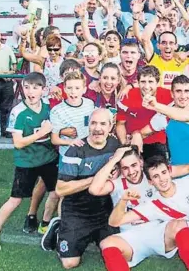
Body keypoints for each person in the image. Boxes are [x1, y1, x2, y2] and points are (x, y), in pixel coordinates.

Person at [41, 108, 120, 269]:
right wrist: (97, 178)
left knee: (114, 250)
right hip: (77, 212)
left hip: (104, 213)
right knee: (70, 263)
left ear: (111, 126)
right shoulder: (75, 151)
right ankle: (58, 229)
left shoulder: (114, 144)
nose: (98, 128)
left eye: (103, 124)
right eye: (94, 123)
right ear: (88, 125)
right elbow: (61, 190)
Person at [0, 73, 59, 252]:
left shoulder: (49, 107)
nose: (31, 91)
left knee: (56, 192)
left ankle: (44, 223)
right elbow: (18, 142)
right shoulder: (18, 111)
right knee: (15, 200)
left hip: (48, 158)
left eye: (35, 87)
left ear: (43, 90)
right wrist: (41, 132)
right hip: (26, 162)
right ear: (22, 89)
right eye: (27, 87)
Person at [131, 75, 189, 172]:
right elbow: (142, 133)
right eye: (178, 91)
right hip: (181, 175)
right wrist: (136, 134)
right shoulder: (164, 116)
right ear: (172, 94)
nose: (183, 96)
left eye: (186, 91)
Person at [116, 65, 173, 159]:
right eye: (143, 82)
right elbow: (120, 124)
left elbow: (186, 99)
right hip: (132, 142)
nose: (146, 87)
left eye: (150, 82)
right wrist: (125, 144)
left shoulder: (168, 95)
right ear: (138, 83)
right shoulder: (128, 96)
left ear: (158, 83)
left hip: (157, 144)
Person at [50, 71, 95, 158]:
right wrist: (71, 142)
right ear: (64, 89)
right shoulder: (57, 111)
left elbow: (88, 123)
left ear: (84, 89)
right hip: (68, 155)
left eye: (77, 88)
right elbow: (54, 139)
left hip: (88, 151)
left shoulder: (89, 104)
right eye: (69, 88)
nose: (73, 91)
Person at [0, 28, 17, 140]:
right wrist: (2, 74)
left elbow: (15, 65)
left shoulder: (7, 48)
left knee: (6, 108)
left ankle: (6, 131)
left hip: (7, 82)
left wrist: (10, 73)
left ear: (0, 36)